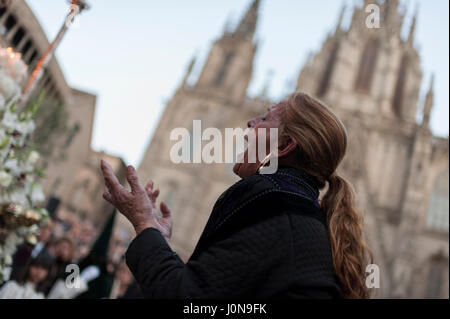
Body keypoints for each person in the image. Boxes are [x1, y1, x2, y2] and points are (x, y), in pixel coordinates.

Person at [100, 91, 373, 299]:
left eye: (265, 119)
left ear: (285, 146)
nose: (250, 122)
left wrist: (144, 223)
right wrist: (158, 240)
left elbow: (188, 299)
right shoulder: (303, 214)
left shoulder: (271, 208)